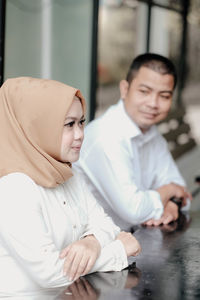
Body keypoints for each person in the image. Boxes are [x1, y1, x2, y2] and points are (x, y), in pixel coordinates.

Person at [0, 77, 141, 296]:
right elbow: (52, 274)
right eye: (69, 124)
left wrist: (91, 243)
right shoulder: (13, 189)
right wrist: (118, 251)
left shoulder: (67, 174)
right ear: (36, 127)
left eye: (81, 122)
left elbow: (107, 225)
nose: (80, 134)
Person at [75, 53, 192, 230]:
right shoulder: (107, 136)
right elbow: (135, 210)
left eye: (164, 96)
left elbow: (181, 189)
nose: (153, 103)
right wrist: (169, 191)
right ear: (124, 89)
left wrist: (172, 204)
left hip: (136, 237)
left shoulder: (151, 133)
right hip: (97, 247)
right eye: (144, 92)